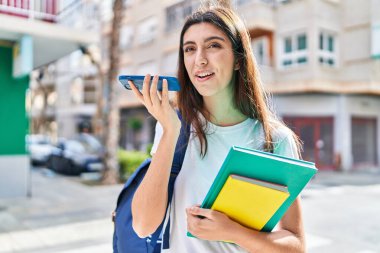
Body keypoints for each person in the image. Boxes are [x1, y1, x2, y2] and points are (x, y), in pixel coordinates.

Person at [129, 5, 306, 253]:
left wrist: (233, 232)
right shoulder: (175, 128)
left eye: (213, 45)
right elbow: (143, 225)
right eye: (190, 49)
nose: (200, 59)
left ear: (238, 59)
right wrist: (169, 130)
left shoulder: (274, 140)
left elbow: (296, 245)